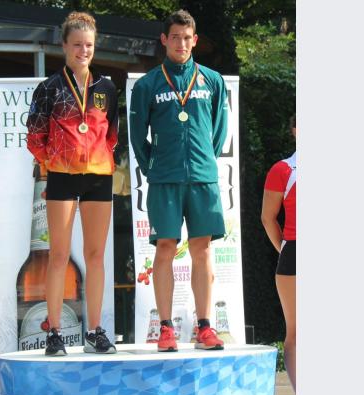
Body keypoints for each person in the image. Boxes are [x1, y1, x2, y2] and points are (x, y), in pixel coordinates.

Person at [129, 10, 228, 352]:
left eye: (187, 38)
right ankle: (167, 328)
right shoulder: (148, 85)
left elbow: (219, 131)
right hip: (165, 180)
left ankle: (204, 327)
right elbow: (137, 134)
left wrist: (203, 160)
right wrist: (154, 167)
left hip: (202, 179)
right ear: (164, 40)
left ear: (194, 40)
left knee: (202, 249)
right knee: (166, 249)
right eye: (175, 37)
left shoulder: (213, 81)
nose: (181, 44)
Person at [26, 11, 119, 356]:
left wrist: (97, 159)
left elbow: (112, 135)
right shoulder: (49, 88)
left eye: (89, 45)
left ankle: (95, 330)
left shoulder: (106, 88)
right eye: (77, 44)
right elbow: (34, 136)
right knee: (59, 255)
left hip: (98, 178)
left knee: (95, 257)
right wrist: (57, 162)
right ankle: (54, 334)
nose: (84, 50)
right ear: (64, 45)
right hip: (62, 176)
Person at [261, 115, 297, 391]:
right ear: (294, 130)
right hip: (294, 251)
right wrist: (283, 249)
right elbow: (267, 218)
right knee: (296, 332)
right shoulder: (283, 169)